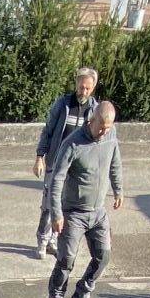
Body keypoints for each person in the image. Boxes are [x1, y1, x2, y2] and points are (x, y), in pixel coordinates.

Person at [45, 99, 122, 298]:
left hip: (98, 212)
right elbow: (57, 179)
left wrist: (119, 190)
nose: (104, 131)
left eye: (108, 127)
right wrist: (56, 213)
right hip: (74, 213)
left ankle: (83, 292)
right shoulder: (72, 143)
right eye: (101, 126)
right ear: (92, 119)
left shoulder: (110, 136)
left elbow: (115, 163)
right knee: (66, 260)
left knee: (103, 256)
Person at [32, 67, 99, 258]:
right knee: (48, 205)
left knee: (64, 206)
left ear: (93, 87)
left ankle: (54, 241)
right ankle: (42, 241)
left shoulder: (95, 109)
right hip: (56, 163)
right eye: (81, 87)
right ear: (76, 83)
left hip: (76, 168)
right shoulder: (63, 104)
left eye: (87, 88)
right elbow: (48, 131)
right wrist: (40, 157)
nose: (83, 92)